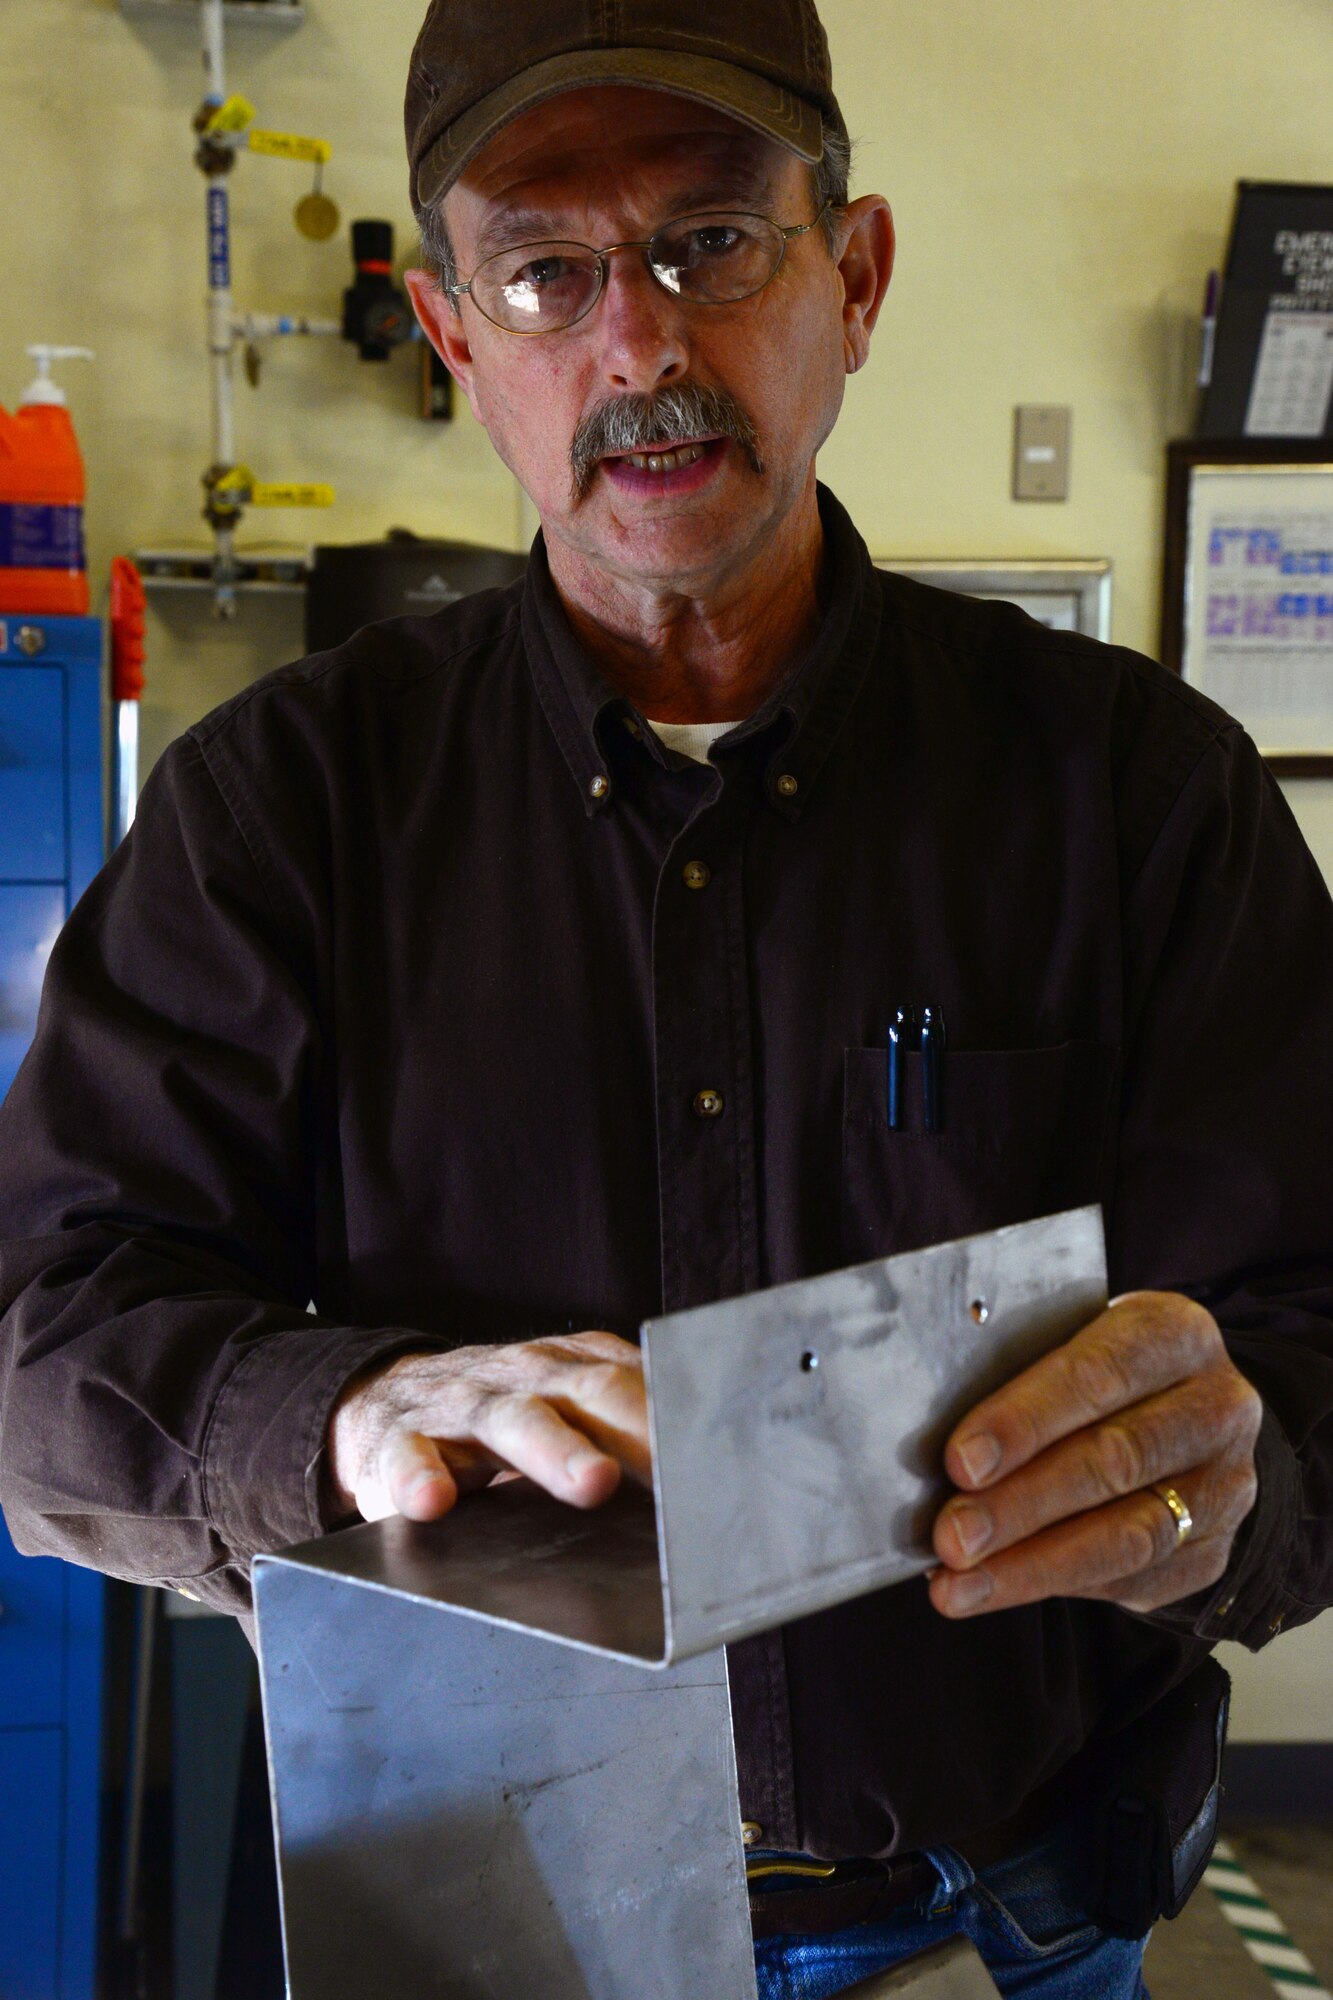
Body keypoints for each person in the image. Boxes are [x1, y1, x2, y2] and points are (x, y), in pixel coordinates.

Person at [1, 2, 1330, 1995]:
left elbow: (1313, 1323)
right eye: (545, 271)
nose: (639, 346)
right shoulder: (278, 812)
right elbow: (46, 1352)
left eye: (713, 243)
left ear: (853, 275)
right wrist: (347, 1406)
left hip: (1002, 1923)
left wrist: (1238, 1476)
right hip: (474, 1935)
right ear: (457, 342)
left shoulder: (1132, 789)